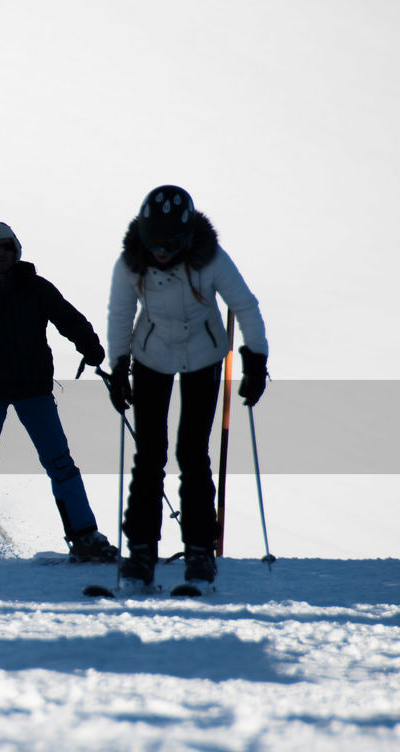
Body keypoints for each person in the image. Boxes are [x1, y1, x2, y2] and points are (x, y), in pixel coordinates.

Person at [0, 222, 118, 566]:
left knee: (59, 462)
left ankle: (84, 536)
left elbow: (67, 318)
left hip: (33, 388)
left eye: (6, 247)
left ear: (16, 250)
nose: (1, 253)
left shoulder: (36, 289)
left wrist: (89, 344)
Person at [106, 186, 268, 592]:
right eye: (155, 243)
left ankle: (199, 552)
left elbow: (245, 305)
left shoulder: (210, 258)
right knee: (150, 455)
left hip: (203, 356)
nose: (162, 252)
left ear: (187, 238)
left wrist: (256, 359)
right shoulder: (131, 264)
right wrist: (119, 364)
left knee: (193, 454)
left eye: (172, 243)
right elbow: (121, 312)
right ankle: (141, 552)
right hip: (151, 356)